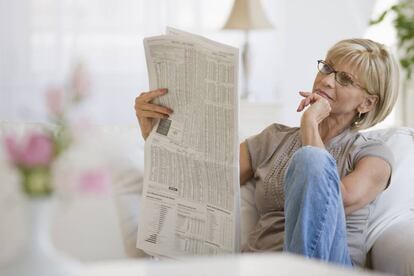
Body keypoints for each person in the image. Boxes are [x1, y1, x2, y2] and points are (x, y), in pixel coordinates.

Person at [134, 38, 399, 267]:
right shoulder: (273, 139)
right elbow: (205, 182)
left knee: (310, 160)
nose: (327, 80)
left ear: (366, 102)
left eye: (344, 79)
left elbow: (336, 199)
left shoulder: (373, 153)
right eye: (328, 68)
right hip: (262, 265)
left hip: (331, 268)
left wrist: (309, 123)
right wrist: (153, 133)